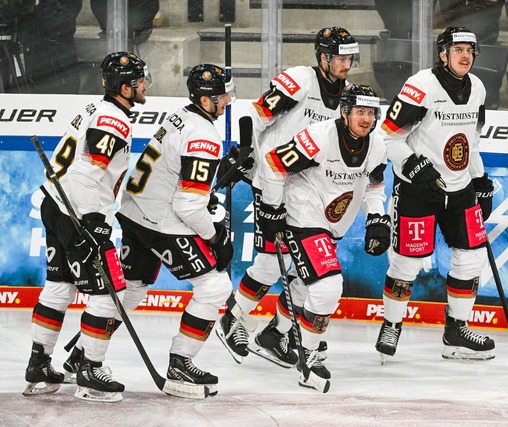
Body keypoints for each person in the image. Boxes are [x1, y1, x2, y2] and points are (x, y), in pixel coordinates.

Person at [215, 26, 360, 365]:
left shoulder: (350, 96)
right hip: (274, 180)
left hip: (311, 192)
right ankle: (232, 319)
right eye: (340, 57)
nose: (346, 63)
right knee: (268, 263)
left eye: (350, 57)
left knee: (303, 274)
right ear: (323, 57)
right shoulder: (300, 80)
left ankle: (274, 334)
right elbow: (255, 113)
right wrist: (247, 149)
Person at [104, 64, 246, 397]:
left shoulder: (180, 115)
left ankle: (84, 353)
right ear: (206, 99)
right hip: (159, 221)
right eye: (222, 94)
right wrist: (216, 237)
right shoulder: (204, 135)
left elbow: (174, 175)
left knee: (133, 289)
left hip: (134, 211)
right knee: (214, 287)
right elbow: (187, 207)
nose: (228, 100)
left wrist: (214, 178)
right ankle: (181, 363)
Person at [24, 51, 150, 402]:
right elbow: (87, 172)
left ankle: (40, 365)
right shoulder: (113, 121)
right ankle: (90, 371)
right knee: (112, 291)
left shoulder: (96, 109)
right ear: (125, 87)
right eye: (140, 80)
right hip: (78, 212)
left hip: (55, 203)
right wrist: (94, 222)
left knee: (59, 286)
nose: (144, 85)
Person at [374, 27, 496, 362]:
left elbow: (471, 142)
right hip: (418, 190)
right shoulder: (420, 86)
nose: (465, 55)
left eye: (470, 49)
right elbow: (386, 138)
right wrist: (413, 165)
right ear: (442, 54)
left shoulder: (478, 88)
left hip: (459, 189)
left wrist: (480, 178)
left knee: (471, 258)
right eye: (457, 49)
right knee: (407, 262)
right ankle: (392, 324)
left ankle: (456, 330)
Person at [255, 83, 389, 386]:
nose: (366, 118)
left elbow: (374, 186)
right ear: (344, 112)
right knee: (328, 285)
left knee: (305, 283)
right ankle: (309, 357)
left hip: (334, 222)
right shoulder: (318, 137)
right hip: (303, 215)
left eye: (371, 112)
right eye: (360, 112)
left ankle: (274, 334)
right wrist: (272, 209)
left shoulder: (377, 144)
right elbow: (274, 164)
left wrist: (377, 218)